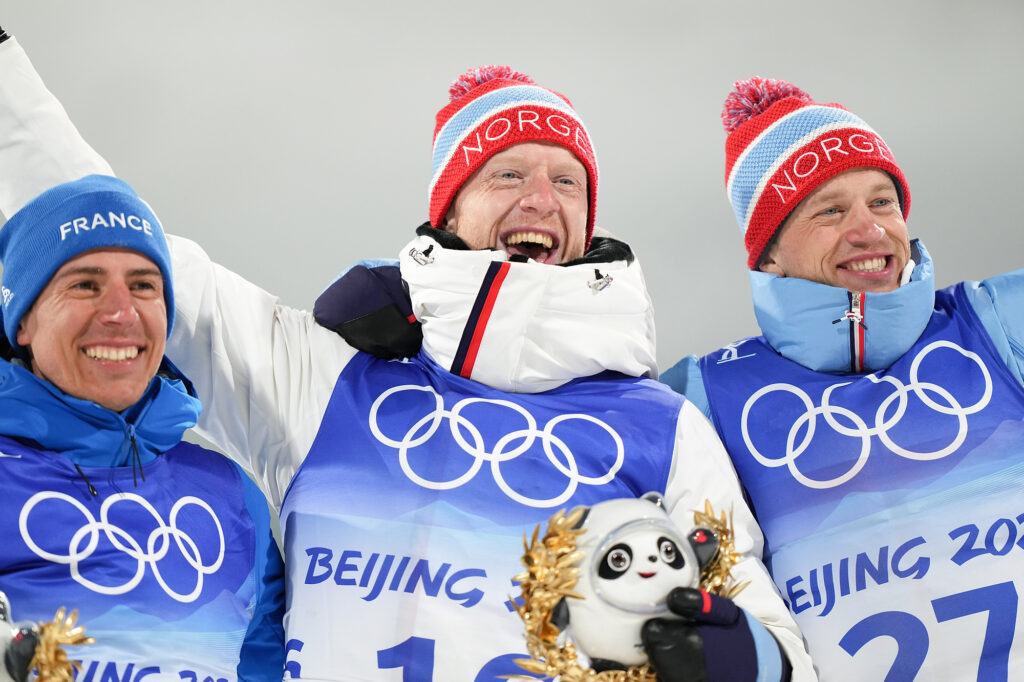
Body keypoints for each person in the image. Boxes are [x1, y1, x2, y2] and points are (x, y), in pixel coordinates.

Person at [0, 31, 816, 680]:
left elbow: (758, 625)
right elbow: (100, 232)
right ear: (450, 209)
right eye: (507, 175)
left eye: (567, 183)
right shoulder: (330, 378)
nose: (540, 199)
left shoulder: (662, 428)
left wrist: (757, 661)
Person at [657, 77, 1024, 680]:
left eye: (882, 202)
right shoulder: (702, 399)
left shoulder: (998, 324)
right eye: (831, 210)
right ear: (768, 253)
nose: (870, 230)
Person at [0, 171, 286, 678]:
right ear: (22, 320)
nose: (119, 311)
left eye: (144, 286)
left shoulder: (231, 495)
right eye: (85, 285)